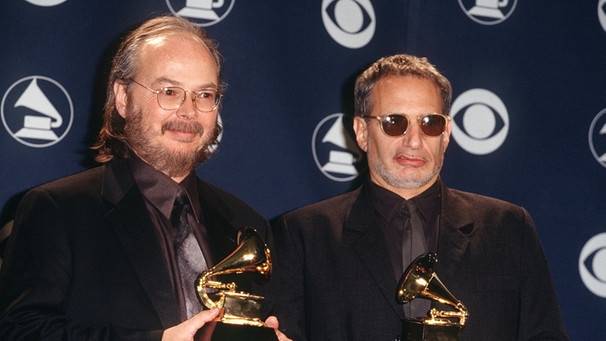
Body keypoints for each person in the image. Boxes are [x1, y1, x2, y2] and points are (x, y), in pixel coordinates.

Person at [0, 16, 288, 341]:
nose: (188, 111)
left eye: (204, 95)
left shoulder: (246, 226)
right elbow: (20, 331)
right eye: (169, 91)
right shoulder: (57, 210)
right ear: (123, 97)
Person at [269, 54, 569, 340]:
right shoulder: (302, 235)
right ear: (362, 132)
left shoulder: (509, 228)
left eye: (430, 123)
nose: (413, 140)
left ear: (447, 133)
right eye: (394, 122)